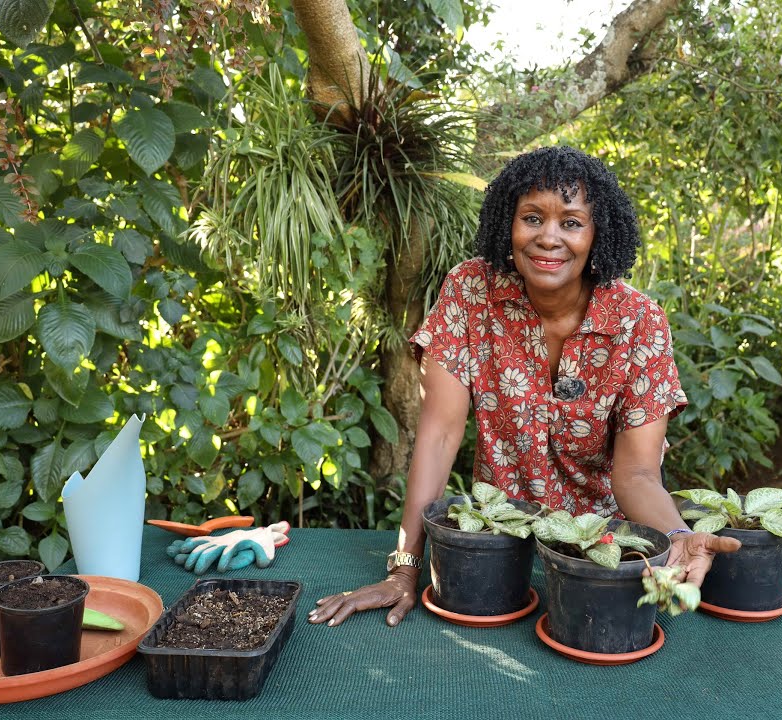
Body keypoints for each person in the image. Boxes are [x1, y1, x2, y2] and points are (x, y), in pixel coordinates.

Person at [308, 145, 741, 628]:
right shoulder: (470, 292)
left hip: (596, 556)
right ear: (507, 224)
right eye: (532, 217)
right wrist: (405, 568)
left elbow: (637, 474)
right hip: (494, 546)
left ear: (598, 234)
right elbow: (439, 435)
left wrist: (678, 535)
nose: (548, 238)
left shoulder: (639, 322)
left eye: (571, 222)